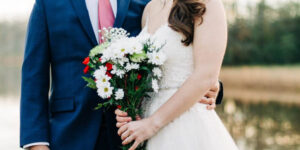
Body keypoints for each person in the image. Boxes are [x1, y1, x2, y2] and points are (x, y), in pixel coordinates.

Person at [20, 0, 223, 149]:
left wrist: (213, 86)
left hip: (131, 135)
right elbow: (33, 79)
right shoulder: (48, 4)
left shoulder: (144, 4)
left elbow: (165, 55)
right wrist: (36, 144)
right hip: (69, 135)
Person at [115, 0, 238, 150]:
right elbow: (147, 74)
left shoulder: (207, 3)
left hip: (184, 123)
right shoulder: (150, 8)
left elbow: (206, 75)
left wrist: (152, 124)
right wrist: (130, 108)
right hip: (145, 126)